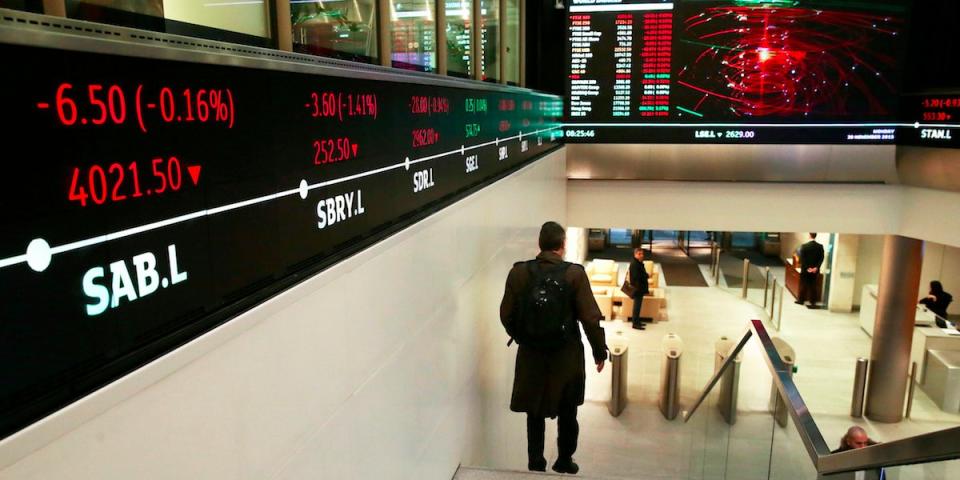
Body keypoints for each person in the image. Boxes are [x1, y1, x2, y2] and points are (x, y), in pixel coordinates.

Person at [500, 221, 608, 474]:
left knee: (534, 412)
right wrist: (599, 352)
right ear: (563, 245)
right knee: (568, 410)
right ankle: (564, 460)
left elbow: (506, 315)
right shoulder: (574, 274)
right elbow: (590, 318)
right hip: (566, 356)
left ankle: (536, 462)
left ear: (540, 244)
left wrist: (523, 336)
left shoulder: (519, 273)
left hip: (531, 355)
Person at [795, 233, 825, 309]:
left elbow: (802, 259)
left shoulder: (804, 246)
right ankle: (812, 302)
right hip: (815, 271)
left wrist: (808, 268)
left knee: (803, 285)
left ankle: (801, 300)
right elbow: (821, 259)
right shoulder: (820, 247)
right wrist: (816, 268)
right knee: (813, 286)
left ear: (809, 236)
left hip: (805, 270)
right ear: (815, 236)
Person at [628, 247, 651, 330]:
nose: (641, 256)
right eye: (639, 254)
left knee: (638, 306)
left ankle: (637, 321)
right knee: (636, 307)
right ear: (635, 254)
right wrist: (646, 275)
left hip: (640, 288)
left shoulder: (639, 263)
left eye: (642, 254)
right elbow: (636, 276)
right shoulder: (634, 264)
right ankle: (635, 323)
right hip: (637, 289)